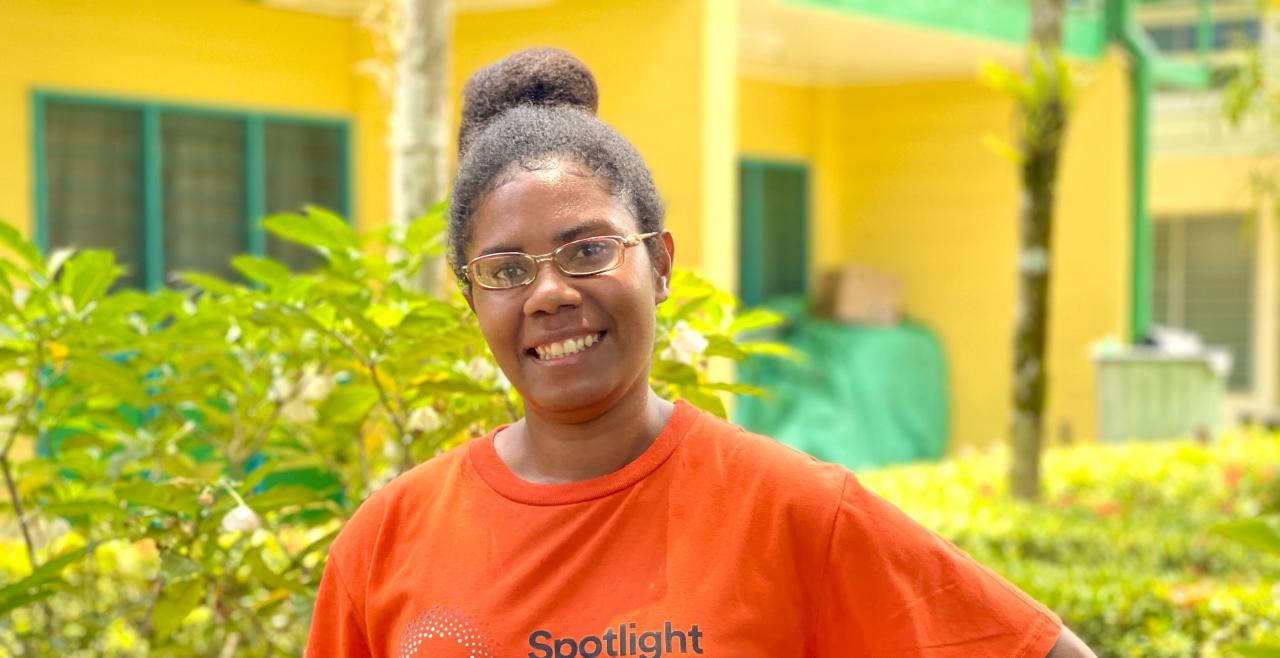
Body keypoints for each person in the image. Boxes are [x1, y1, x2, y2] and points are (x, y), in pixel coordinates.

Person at [305, 48, 1097, 658]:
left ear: (660, 264)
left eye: (587, 251)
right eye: (507, 270)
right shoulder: (386, 540)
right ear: (473, 297)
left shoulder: (798, 512)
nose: (548, 293)